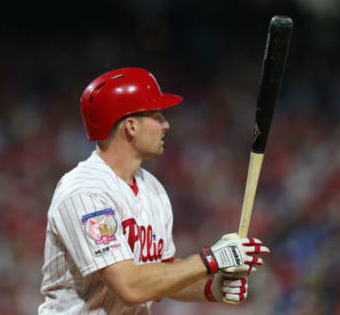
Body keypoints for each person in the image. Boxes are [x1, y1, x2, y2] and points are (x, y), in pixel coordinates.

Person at [38, 67, 270, 314]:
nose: (166, 125)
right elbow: (130, 287)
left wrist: (211, 287)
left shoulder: (152, 187)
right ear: (131, 127)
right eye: (157, 117)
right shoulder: (84, 192)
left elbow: (161, 273)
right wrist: (211, 260)